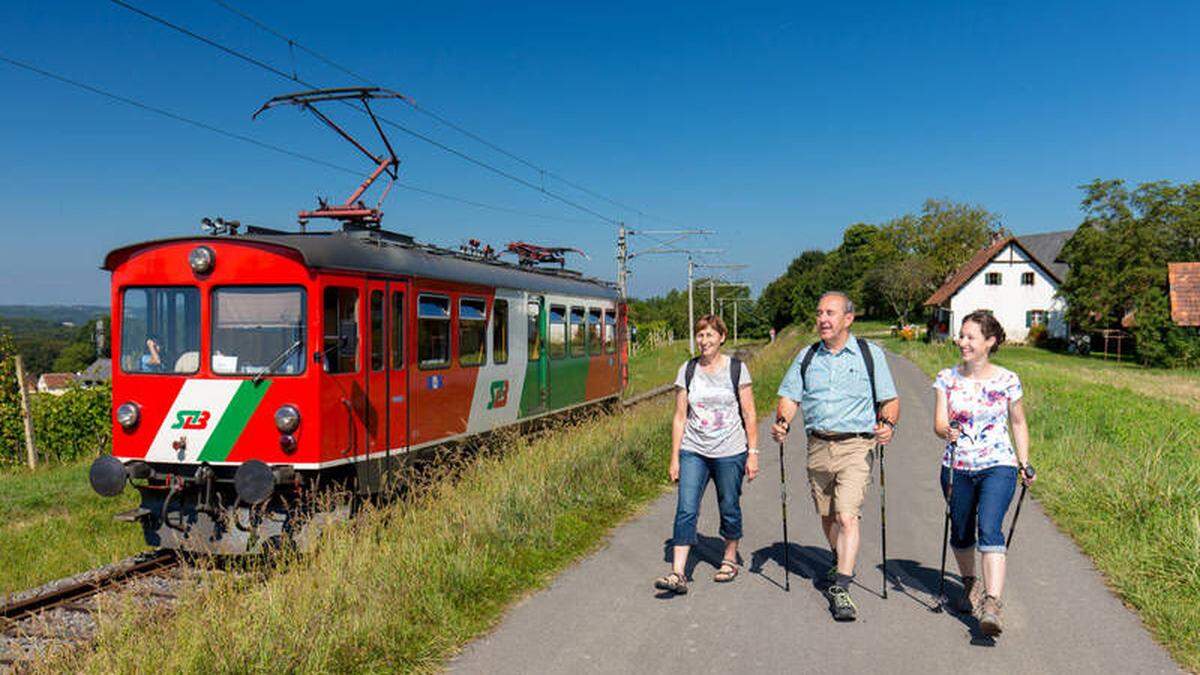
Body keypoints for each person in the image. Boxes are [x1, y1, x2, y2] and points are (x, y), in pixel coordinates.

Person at [771, 291, 899, 621]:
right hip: (817, 446)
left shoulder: (870, 355)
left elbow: (889, 401)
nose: (823, 319)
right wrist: (783, 422)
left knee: (846, 515)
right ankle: (836, 555)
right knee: (827, 515)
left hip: (856, 445)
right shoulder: (807, 356)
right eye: (819, 313)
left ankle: (842, 585)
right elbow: (789, 396)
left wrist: (887, 424)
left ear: (848, 319)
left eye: (830, 313)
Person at [933, 310, 1034, 637]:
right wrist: (946, 430)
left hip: (998, 465)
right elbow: (938, 423)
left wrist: (1024, 461)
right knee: (962, 531)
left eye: (970, 337)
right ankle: (969, 584)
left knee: (990, 527)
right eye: (961, 336)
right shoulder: (946, 378)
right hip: (957, 466)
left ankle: (992, 603)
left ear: (989, 342)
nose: (962, 342)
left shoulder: (1007, 380)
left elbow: (1017, 422)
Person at [654, 315, 758, 595]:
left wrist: (753, 453)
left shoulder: (737, 369)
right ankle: (678, 573)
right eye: (700, 335)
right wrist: (674, 457)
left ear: (722, 337)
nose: (705, 341)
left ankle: (729, 557)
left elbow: (749, 412)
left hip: (730, 450)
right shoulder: (687, 370)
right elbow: (679, 417)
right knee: (686, 507)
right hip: (694, 450)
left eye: (710, 335)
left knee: (729, 505)